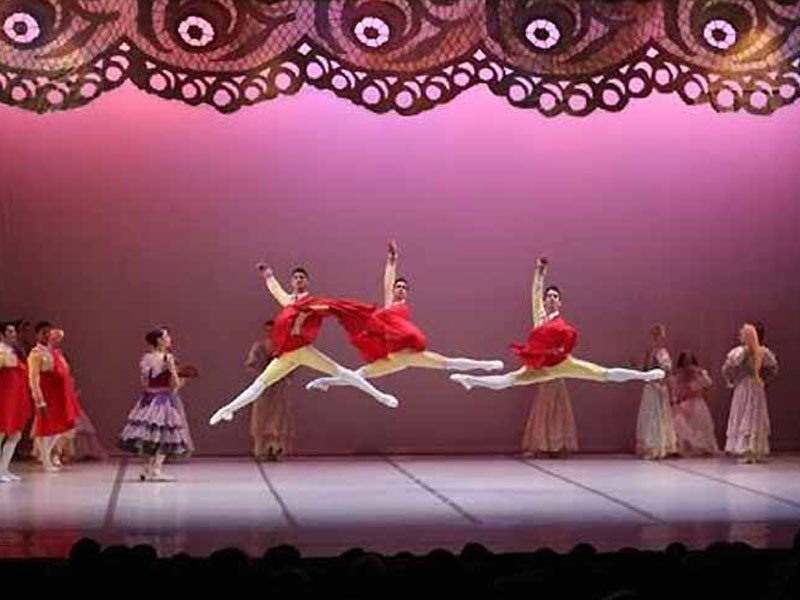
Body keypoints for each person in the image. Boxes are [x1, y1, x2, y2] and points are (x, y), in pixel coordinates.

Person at [210, 264, 398, 426]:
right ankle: (227, 409)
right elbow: (276, 290)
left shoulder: (312, 302)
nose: (299, 280)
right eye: (296, 278)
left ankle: (380, 396)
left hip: (302, 350)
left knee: (341, 372)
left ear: (306, 282)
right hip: (286, 354)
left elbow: (329, 307)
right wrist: (268, 275)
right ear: (292, 282)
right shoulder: (289, 301)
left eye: (302, 277)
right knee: (259, 384)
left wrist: (323, 309)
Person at [307, 241, 502, 393]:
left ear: (406, 292)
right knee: (360, 375)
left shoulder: (401, 308)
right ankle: (325, 382)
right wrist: (392, 261)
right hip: (394, 357)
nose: (400, 289)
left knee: (447, 362)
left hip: (406, 356)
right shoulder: (389, 305)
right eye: (398, 286)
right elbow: (388, 281)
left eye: (403, 287)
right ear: (393, 290)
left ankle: (486, 365)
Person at [450, 257, 664, 391]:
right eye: (549, 296)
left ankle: (644, 376)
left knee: (603, 374)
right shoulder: (540, 317)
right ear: (545, 301)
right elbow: (535, 293)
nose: (551, 298)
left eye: (555, 296)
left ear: (560, 302)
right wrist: (539, 272)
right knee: (509, 380)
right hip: (540, 366)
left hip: (562, 363)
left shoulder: (562, 324)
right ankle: (471, 380)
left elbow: (567, 340)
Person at [119, 329, 192, 481]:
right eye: (166, 336)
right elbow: (174, 383)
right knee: (165, 433)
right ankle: (156, 470)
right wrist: (179, 377)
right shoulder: (167, 358)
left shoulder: (146, 358)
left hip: (148, 399)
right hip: (163, 400)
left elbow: (145, 382)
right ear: (159, 340)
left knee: (150, 433)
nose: (169, 339)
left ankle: (147, 468)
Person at [28, 322, 81, 472]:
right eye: (43, 332)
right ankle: (45, 460)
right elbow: (33, 378)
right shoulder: (36, 354)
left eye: (49, 332)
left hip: (59, 395)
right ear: (37, 335)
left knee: (60, 428)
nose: (47, 335)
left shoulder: (55, 352)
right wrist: (39, 401)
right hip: (47, 395)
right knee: (45, 429)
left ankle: (49, 456)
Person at [723, 323, 778, 464]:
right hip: (747, 386)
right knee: (745, 414)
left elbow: (772, 369)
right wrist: (732, 380)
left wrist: (733, 379)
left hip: (750, 386)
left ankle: (751, 449)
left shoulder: (759, 352)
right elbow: (727, 368)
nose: (740, 336)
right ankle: (747, 449)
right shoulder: (743, 352)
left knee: (751, 415)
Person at [246, 320, 293, 461]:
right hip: (264, 385)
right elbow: (251, 364)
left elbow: (293, 364)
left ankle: (277, 448)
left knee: (279, 416)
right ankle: (261, 449)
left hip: (279, 386)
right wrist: (261, 373)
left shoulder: (285, 346)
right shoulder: (259, 346)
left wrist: (285, 374)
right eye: (269, 330)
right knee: (261, 416)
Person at [635, 324, 678, 460]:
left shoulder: (662, 353)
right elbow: (645, 369)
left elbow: (668, 370)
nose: (658, 339)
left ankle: (658, 446)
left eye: (660, 336)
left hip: (659, 387)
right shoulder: (650, 352)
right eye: (656, 336)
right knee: (651, 415)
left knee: (658, 415)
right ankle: (651, 447)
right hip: (651, 387)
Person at [0, 322, 32, 482]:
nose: (14, 335)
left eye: (14, 331)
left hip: (14, 398)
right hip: (3, 398)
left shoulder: (13, 351)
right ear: (2, 334)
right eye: (10, 332)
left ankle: (4, 469)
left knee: (15, 434)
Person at [672, 351, 719, 456]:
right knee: (679, 421)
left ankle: (702, 448)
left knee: (700, 425)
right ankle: (685, 448)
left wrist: (699, 374)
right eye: (685, 362)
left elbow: (708, 384)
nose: (688, 364)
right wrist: (677, 401)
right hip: (684, 403)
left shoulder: (700, 373)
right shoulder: (678, 375)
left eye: (689, 361)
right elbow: (675, 391)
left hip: (698, 403)